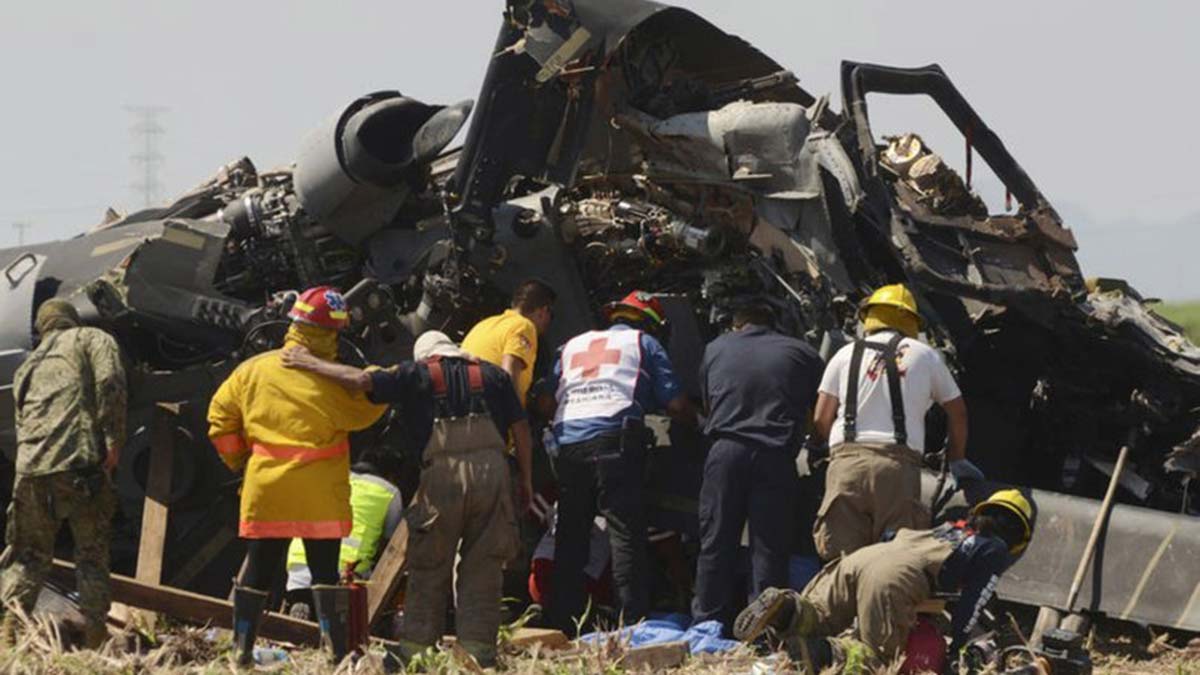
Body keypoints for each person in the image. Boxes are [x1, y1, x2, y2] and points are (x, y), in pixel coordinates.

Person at [281, 330, 531, 669]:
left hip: (443, 474)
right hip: (494, 474)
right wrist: (525, 481)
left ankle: (417, 653)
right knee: (484, 566)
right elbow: (522, 430)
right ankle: (477, 655)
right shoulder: (494, 376)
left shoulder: (416, 373)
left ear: (426, 355)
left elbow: (358, 380)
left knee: (429, 564)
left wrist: (307, 361)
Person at [207, 286, 387, 665]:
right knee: (324, 571)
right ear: (332, 332)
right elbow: (375, 399)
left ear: (294, 322)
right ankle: (335, 655)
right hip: (319, 492)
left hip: (267, 489)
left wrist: (241, 463)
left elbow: (219, 423)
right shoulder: (334, 381)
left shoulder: (252, 370)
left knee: (259, 568)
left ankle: (240, 652)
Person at [734, 489, 1035, 673]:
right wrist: (955, 647)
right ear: (1017, 536)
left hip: (865, 557)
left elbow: (894, 538)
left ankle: (785, 609)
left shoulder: (953, 527)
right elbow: (973, 602)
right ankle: (817, 654)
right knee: (878, 659)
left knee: (820, 616)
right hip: (894, 577)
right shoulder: (994, 549)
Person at [545, 290, 696, 633]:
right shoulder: (645, 343)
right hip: (615, 441)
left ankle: (562, 623)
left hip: (569, 444)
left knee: (571, 536)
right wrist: (697, 422)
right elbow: (674, 404)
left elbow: (544, 399)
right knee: (625, 532)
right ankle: (633, 621)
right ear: (651, 324)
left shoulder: (572, 345)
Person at [811, 283, 977, 560]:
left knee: (838, 559)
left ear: (870, 317)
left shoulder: (844, 354)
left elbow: (820, 417)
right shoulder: (925, 356)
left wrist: (832, 454)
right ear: (912, 321)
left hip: (847, 464)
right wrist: (957, 459)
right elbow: (958, 412)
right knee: (890, 561)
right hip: (897, 469)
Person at [0, 299, 126, 649]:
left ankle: (8, 634)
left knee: (27, 555)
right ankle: (95, 637)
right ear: (71, 319)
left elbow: (21, 421)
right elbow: (110, 382)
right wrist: (113, 440)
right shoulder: (93, 339)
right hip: (80, 464)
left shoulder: (27, 366)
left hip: (31, 469)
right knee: (91, 552)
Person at [692, 300, 824, 631]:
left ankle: (707, 622)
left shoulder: (715, 348)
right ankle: (764, 630)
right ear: (773, 324)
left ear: (737, 325)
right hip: (775, 456)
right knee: (769, 546)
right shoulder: (802, 352)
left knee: (716, 539)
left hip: (726, 453)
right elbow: (819, 410)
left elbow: (709, 402)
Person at [283, 460, 404, 618]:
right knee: (341, 611)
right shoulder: (389, 491)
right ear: (391, 475)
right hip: (347, 572)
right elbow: (391, 540)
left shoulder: (332, 477)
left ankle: (302, 606)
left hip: (298, 564)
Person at [461, 278, 556, 407]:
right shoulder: (524, 325)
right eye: (552, 315)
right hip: (488, 412)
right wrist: (518, 422)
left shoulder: (484, 324)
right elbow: (508, 376)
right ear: (543, 311)